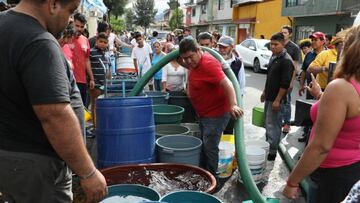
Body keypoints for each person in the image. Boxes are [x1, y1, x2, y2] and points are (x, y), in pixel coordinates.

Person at [0, 0, 107, 202]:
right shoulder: (39, 41)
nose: (69, 20)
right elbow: (54, 115)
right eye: (70, 11)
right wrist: (88, 172)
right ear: (53, 4)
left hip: (9, 159)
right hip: (38, 167)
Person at [283, 25, 360, 203]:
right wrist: (320, 96)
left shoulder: (341, 88)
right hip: (353, 168)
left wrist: (293, 182)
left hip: (332, 174)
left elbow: (321, 147)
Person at [178, 38, 243, 176]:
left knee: (210, 146)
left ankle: (212, 176)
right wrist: (179, 60)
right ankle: (204, 170)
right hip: (204, 113)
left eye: (190, 57)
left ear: (198, 50)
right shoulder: (194, 63)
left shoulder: (208, 64)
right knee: (205, 143)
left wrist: (233, 105)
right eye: (185, 58)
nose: (188, 61)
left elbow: (228, 84)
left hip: (216, 114)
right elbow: (189, 65)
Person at [261, 32, 294, 161]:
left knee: (274, 124)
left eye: (276, 44)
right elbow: (269, 77)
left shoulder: (286, 60)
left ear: (283, 44)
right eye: (271, 44)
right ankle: (268, 146)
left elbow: (285, 84)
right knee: (268, 123)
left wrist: (277, 100)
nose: (273, 47)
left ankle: (272, 152)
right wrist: (264, 92)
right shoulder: (274, 57)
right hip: (269, 97)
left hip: (277, 100)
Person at [217, 35, 246, 134]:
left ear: (232, 47)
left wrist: (238, 102)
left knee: (229, 128)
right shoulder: (215, 60)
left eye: (224, 47)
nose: (221, 49)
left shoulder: (238, 63)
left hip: (231, 101)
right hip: (216, 100)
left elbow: (241, 84)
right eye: (220, 47)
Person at [69, 13, 95, 105]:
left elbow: (87, 60)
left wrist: (91, 78)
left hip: (82, 81)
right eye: (77, 26)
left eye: (82, 26)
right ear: (72, 24)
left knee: (82, 109)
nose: (79, 29)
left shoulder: (85, 40)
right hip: (67, 80)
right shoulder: (65, 38)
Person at [281, 25, 302, 134]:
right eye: (282, 32)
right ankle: (278, 122)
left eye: (285, 32)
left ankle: (287, 123)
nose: (282, 34)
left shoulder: (294, 48)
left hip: (288, 79)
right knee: (277, 101)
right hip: (277, 78)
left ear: (290, 34)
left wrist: (291, 82)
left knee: (287, 102)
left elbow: (296, 66)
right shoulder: (279, 44)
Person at [89, 32, 110, 127]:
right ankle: (95, 127)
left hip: (104, 84)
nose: (103, 44)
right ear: (96, 41)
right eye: (100, 41)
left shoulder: (106, 54)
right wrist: (91, 80)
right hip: (95, 84)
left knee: (103, 106)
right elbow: (87, 67)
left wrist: (109, 82)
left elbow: (108, 69)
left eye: (105, 42)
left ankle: (101, 125)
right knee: (95, 106)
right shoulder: (91, 52)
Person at [299, 32, 326, 99]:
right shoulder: (309, 54)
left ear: (323, 41)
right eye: (312, 40)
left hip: (324, 90)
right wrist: (301, 85)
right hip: (310, 88)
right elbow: (304, 71)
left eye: (315, 40)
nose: (313, 42)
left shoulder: (327, 54)